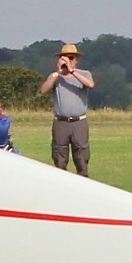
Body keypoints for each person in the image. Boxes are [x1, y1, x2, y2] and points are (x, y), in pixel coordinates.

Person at [39, 43, 95, 176]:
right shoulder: (55, 77)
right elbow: (44, 90)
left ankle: (83, 183)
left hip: (78, 122)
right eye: (64, 58)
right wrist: (58, 73)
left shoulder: (84, 73)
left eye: (70, 58)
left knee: (81, 156)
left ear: (76, 60)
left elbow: (90, 84)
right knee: (59, 156)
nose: (67, 61)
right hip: (60, 122)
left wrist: (72, 71)